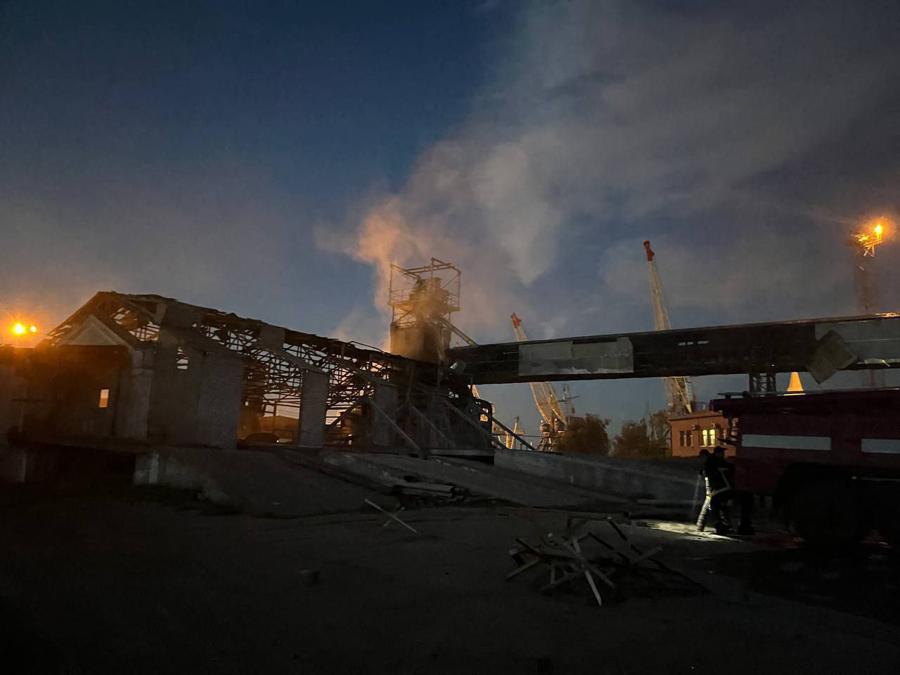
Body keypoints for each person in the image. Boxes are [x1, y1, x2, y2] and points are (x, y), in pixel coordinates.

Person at [697, 444, 734, 534]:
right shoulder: (714, 462)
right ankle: (722, 525)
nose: (723, 454)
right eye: (722, 453)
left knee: (711, 507)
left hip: (716, 488)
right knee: (716, 507)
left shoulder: (712, 462)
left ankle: (701, 525)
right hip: (717, 488)